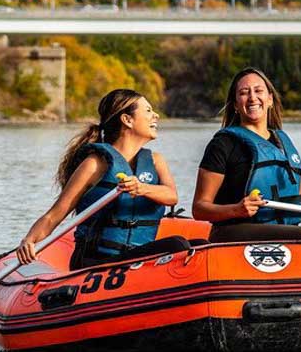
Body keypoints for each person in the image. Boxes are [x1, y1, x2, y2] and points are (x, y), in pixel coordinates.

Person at [17, 89, 189, 270]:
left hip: (136, 260)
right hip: (96, 261)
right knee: (177, 245)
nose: (156, 116)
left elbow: (172, 196)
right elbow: (54, 215)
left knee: (196, 244)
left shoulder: (156, 161)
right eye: (148, 111)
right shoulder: (94, 165)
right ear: (127, 120)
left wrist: (142, 188)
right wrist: (29, 240)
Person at [193, 67, 301, 244]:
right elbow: (200, 208)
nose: (252, 97)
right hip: (233, 234)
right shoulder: (222, 144)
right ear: (235, 104)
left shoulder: (284, 144)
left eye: (258, 91)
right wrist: (236, 210)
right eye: (244, 92)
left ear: (270, 99)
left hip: (282, 233)